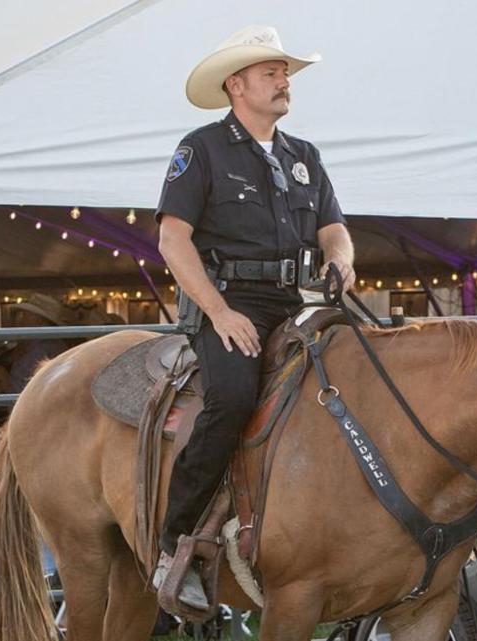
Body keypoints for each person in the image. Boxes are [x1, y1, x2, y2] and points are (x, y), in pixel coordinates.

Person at [154, 25, 356, 610]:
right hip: (229, 303)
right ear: (236, 85)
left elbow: (335, 231)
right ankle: (176, 545)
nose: (284, 81)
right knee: (233, 399)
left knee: (361, 378)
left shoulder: (304, 157)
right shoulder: (202, 148)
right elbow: (173, 241)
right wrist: (218, 314)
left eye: (285, 72)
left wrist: (340, 264)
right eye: (271, 72)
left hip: (298, 303)